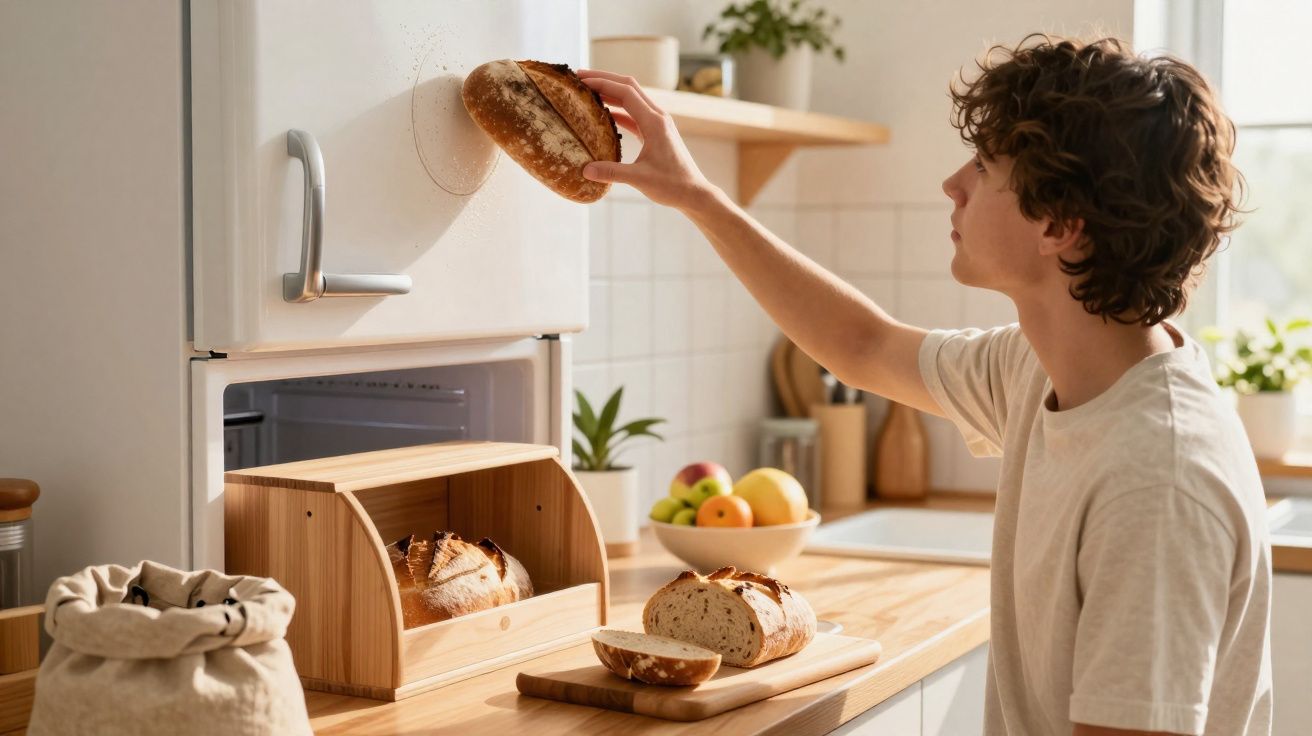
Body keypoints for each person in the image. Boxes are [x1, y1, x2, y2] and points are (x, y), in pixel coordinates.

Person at [578, 33, 1272, 736]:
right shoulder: (1044, 370)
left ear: (1061, 224)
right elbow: (864, 345)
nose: (953, 184)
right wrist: (698, 198)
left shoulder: (1157, 480)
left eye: (984, 164)